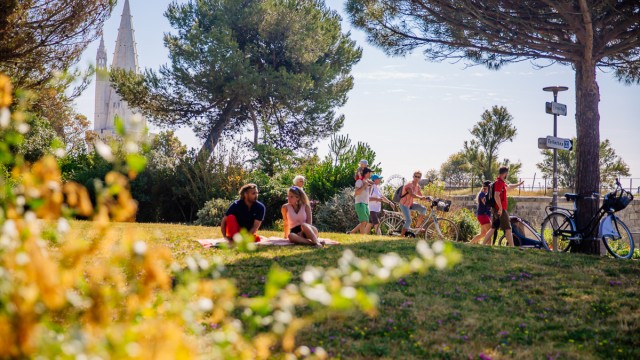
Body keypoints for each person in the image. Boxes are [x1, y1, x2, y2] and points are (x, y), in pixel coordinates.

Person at [482, 167, 525, 246]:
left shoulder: (500, 182)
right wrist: (501, 209)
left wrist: (519, 184)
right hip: (500, 209)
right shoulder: (499, 183)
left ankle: (483, 244)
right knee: (508, 229)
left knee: (493, 228)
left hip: (496, 209)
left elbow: (509, 186)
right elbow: (496, 196)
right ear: (505, 173)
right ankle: (512, 247)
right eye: (507, 173)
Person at [398, 170, 432, 237]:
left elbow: (421, 196)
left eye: (418, 177)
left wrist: (428, 199)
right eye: (415, 176)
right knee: (408, 220)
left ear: (420, 178)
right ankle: (401, 237)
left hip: (410, 204)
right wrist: (421, 197)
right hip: (403, 204)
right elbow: (412, 195)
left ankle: (417, 227)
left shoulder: (418, 186)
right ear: (413, 176)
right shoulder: (409, 184)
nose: (417, 178)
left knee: (423, 209)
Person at [348, 167, 373, 234]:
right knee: (364, 221)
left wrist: (370, 187)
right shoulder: (359, 181)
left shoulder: (366, 182)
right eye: (370, 173)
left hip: (366, 203)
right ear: (367, 173)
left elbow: (368, 194)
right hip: (360, 203)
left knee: (365, 221)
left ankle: (352, 232)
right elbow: (356, 193)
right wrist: (364, 186)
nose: (371, 174)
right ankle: (363, 237)